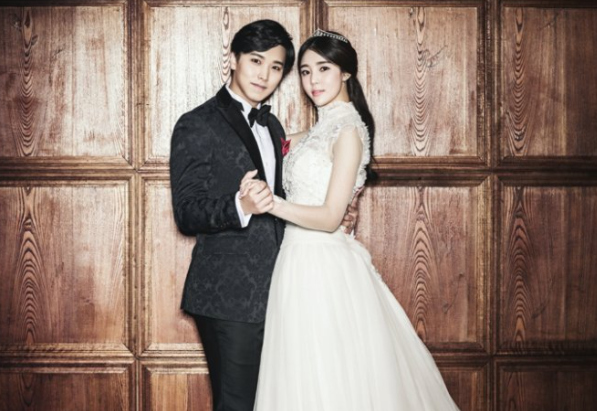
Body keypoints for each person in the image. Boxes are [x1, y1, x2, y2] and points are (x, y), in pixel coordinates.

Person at [248, 30, 461, 410]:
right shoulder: (310, 134)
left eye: (324, 69)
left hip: (323, 265)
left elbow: (331, 217)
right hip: (295, 263)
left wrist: (270, 204)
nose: (313, 81)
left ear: (345, 72)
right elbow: (277, 148)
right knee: (301, 377)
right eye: (306, 71)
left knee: (331, 377)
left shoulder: (348, 131)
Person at [169, 21, 358, 411]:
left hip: (286, 288)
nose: (264, 75)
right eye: (256, 61)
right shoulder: (197, 123)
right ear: (233, 60)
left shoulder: (272, 126)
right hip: (229, 295)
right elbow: (187, 213)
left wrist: (337, 210)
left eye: (275, 67)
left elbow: (288, 193)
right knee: (238, 404)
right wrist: (241, 206)